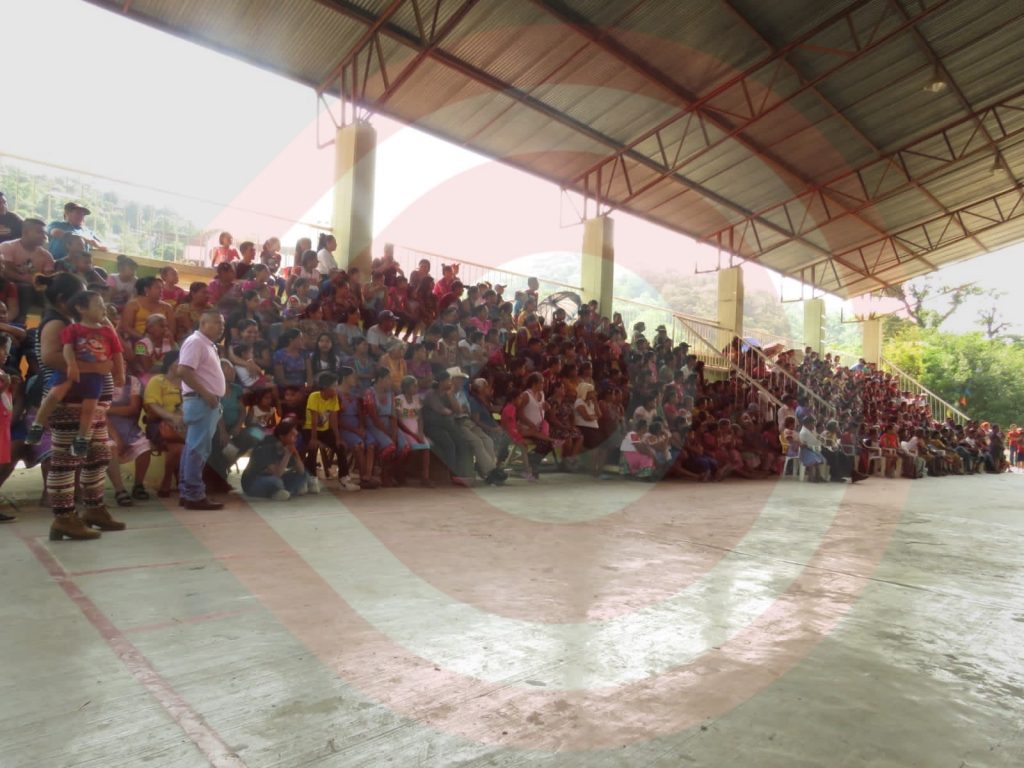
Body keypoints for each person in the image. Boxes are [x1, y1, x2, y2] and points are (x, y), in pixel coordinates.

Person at [36, 273, 123, 540]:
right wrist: (94, 368)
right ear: (67, 301)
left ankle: (94, 509)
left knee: (99, 455)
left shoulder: (81, 323)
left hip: (91, 402)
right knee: (66, 460)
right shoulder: (56, 323)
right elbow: (50, 357)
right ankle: (63, 518)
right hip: (70, 402)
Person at [26, 290, 125, 457]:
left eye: (103, 305)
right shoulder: (73, 329)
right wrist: (71, 365)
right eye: (99, 305)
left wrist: (120, 373)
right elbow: (67, 348)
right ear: (81, 308)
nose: (104, 309)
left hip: (94, 378)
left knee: (90, 408)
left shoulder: (108, 332)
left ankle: (81, 438)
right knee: (54, 394)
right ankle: (38, 424)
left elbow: (117, 354)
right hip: (70, 373)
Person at [177, 309, 227, 509]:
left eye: (222, 323)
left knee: (194, 447)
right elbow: (183, 371)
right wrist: (206, 394)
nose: (221, 327)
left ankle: (187, 492)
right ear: (203, 323)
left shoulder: (207, 344)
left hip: (204, 402)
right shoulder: (196, 342)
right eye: (217, 322)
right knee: (198, 449)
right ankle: (194, 494)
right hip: (202, 401)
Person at [242, 419, 313, 501]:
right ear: (282, 437)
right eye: (292, 435)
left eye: (296, 436)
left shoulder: (288, 447)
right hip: (253, 482)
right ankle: (283, 491)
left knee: (304, 475)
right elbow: (276, 474)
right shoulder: (266, 446)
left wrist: (296, 454)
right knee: (276, 481)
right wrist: (287, 455)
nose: (295, 439)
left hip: (274, 478)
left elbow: (301, 471)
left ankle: (279, 492)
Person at [0, 218, 55, 320]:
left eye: (45, 233)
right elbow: (6, 271)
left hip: (36, 288)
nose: (44, 236)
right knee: (26, 288)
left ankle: (33, 324)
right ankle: (25, 321)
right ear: (25, 232)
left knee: (42, 292)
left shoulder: (46, 255)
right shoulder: (7, 247)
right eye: (39, 232)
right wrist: (28, 280)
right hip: (10, 285)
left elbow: (48, 277)